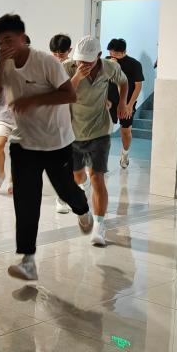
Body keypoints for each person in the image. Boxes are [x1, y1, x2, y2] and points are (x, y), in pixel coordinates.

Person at [0, 14, 91, 281]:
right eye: (0, 42)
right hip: (23, 143)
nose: (4, 46)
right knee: (25, 203)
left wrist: (33, 101)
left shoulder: (46, 62)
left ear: (22, 38)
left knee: (66, 190)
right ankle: (28, 260)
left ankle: (82, 208)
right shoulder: (5, 65)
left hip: (56, 142)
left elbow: (70, 94)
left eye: (9, 40)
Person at [64, 36, 129, 247]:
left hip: (100, 130)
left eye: (87, 61)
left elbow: (124, 82)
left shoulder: (110, 67)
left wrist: (122, 103)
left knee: (97, 177)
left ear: (99, 56)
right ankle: (82, 191)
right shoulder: (68, 68)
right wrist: (77, 77)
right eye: (79, 60)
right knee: (77, 176)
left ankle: (99, 226)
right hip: (73, 131)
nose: (82, 64)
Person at [0, 35, 30, 195]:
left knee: (17, 152)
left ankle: (13, 180)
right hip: (3, 115)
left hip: (24, 119)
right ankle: (0, 174)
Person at [106, 38, 145, 169]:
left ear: (124, 51)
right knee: (105, 131)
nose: (113, 55)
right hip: (110, 102)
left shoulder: (134, 64)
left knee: (125, 131)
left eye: (116, 53)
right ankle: (102, 160)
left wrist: (130, 105)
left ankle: (125, 153)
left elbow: (138, 86)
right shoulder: (107, 61)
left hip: (127, 102)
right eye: (110, 52)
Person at [48, 34, 73, 215]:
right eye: (55, 53)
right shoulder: (46, 66)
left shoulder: (75, 67)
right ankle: (62, 197)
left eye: (61, 54)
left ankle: (66, 195)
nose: (58, 57)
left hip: (75, 119)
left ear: (69, 51)